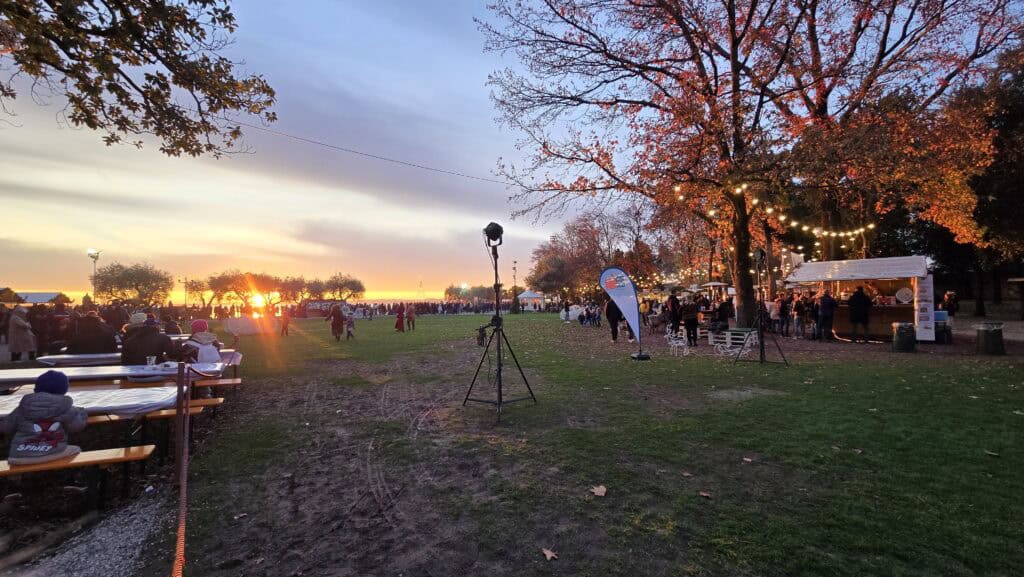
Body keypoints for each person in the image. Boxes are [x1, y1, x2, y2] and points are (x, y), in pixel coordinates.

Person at [2, 370, 87, 465]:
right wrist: (82, 413)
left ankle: (15, 477)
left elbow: (6, 428)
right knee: (76, 449)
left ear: (36, 389)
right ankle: (66, 475)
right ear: (64, 390)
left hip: (19, 456)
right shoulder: (67, 408)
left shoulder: (23, 407)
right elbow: (76, 427)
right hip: (54, 452)